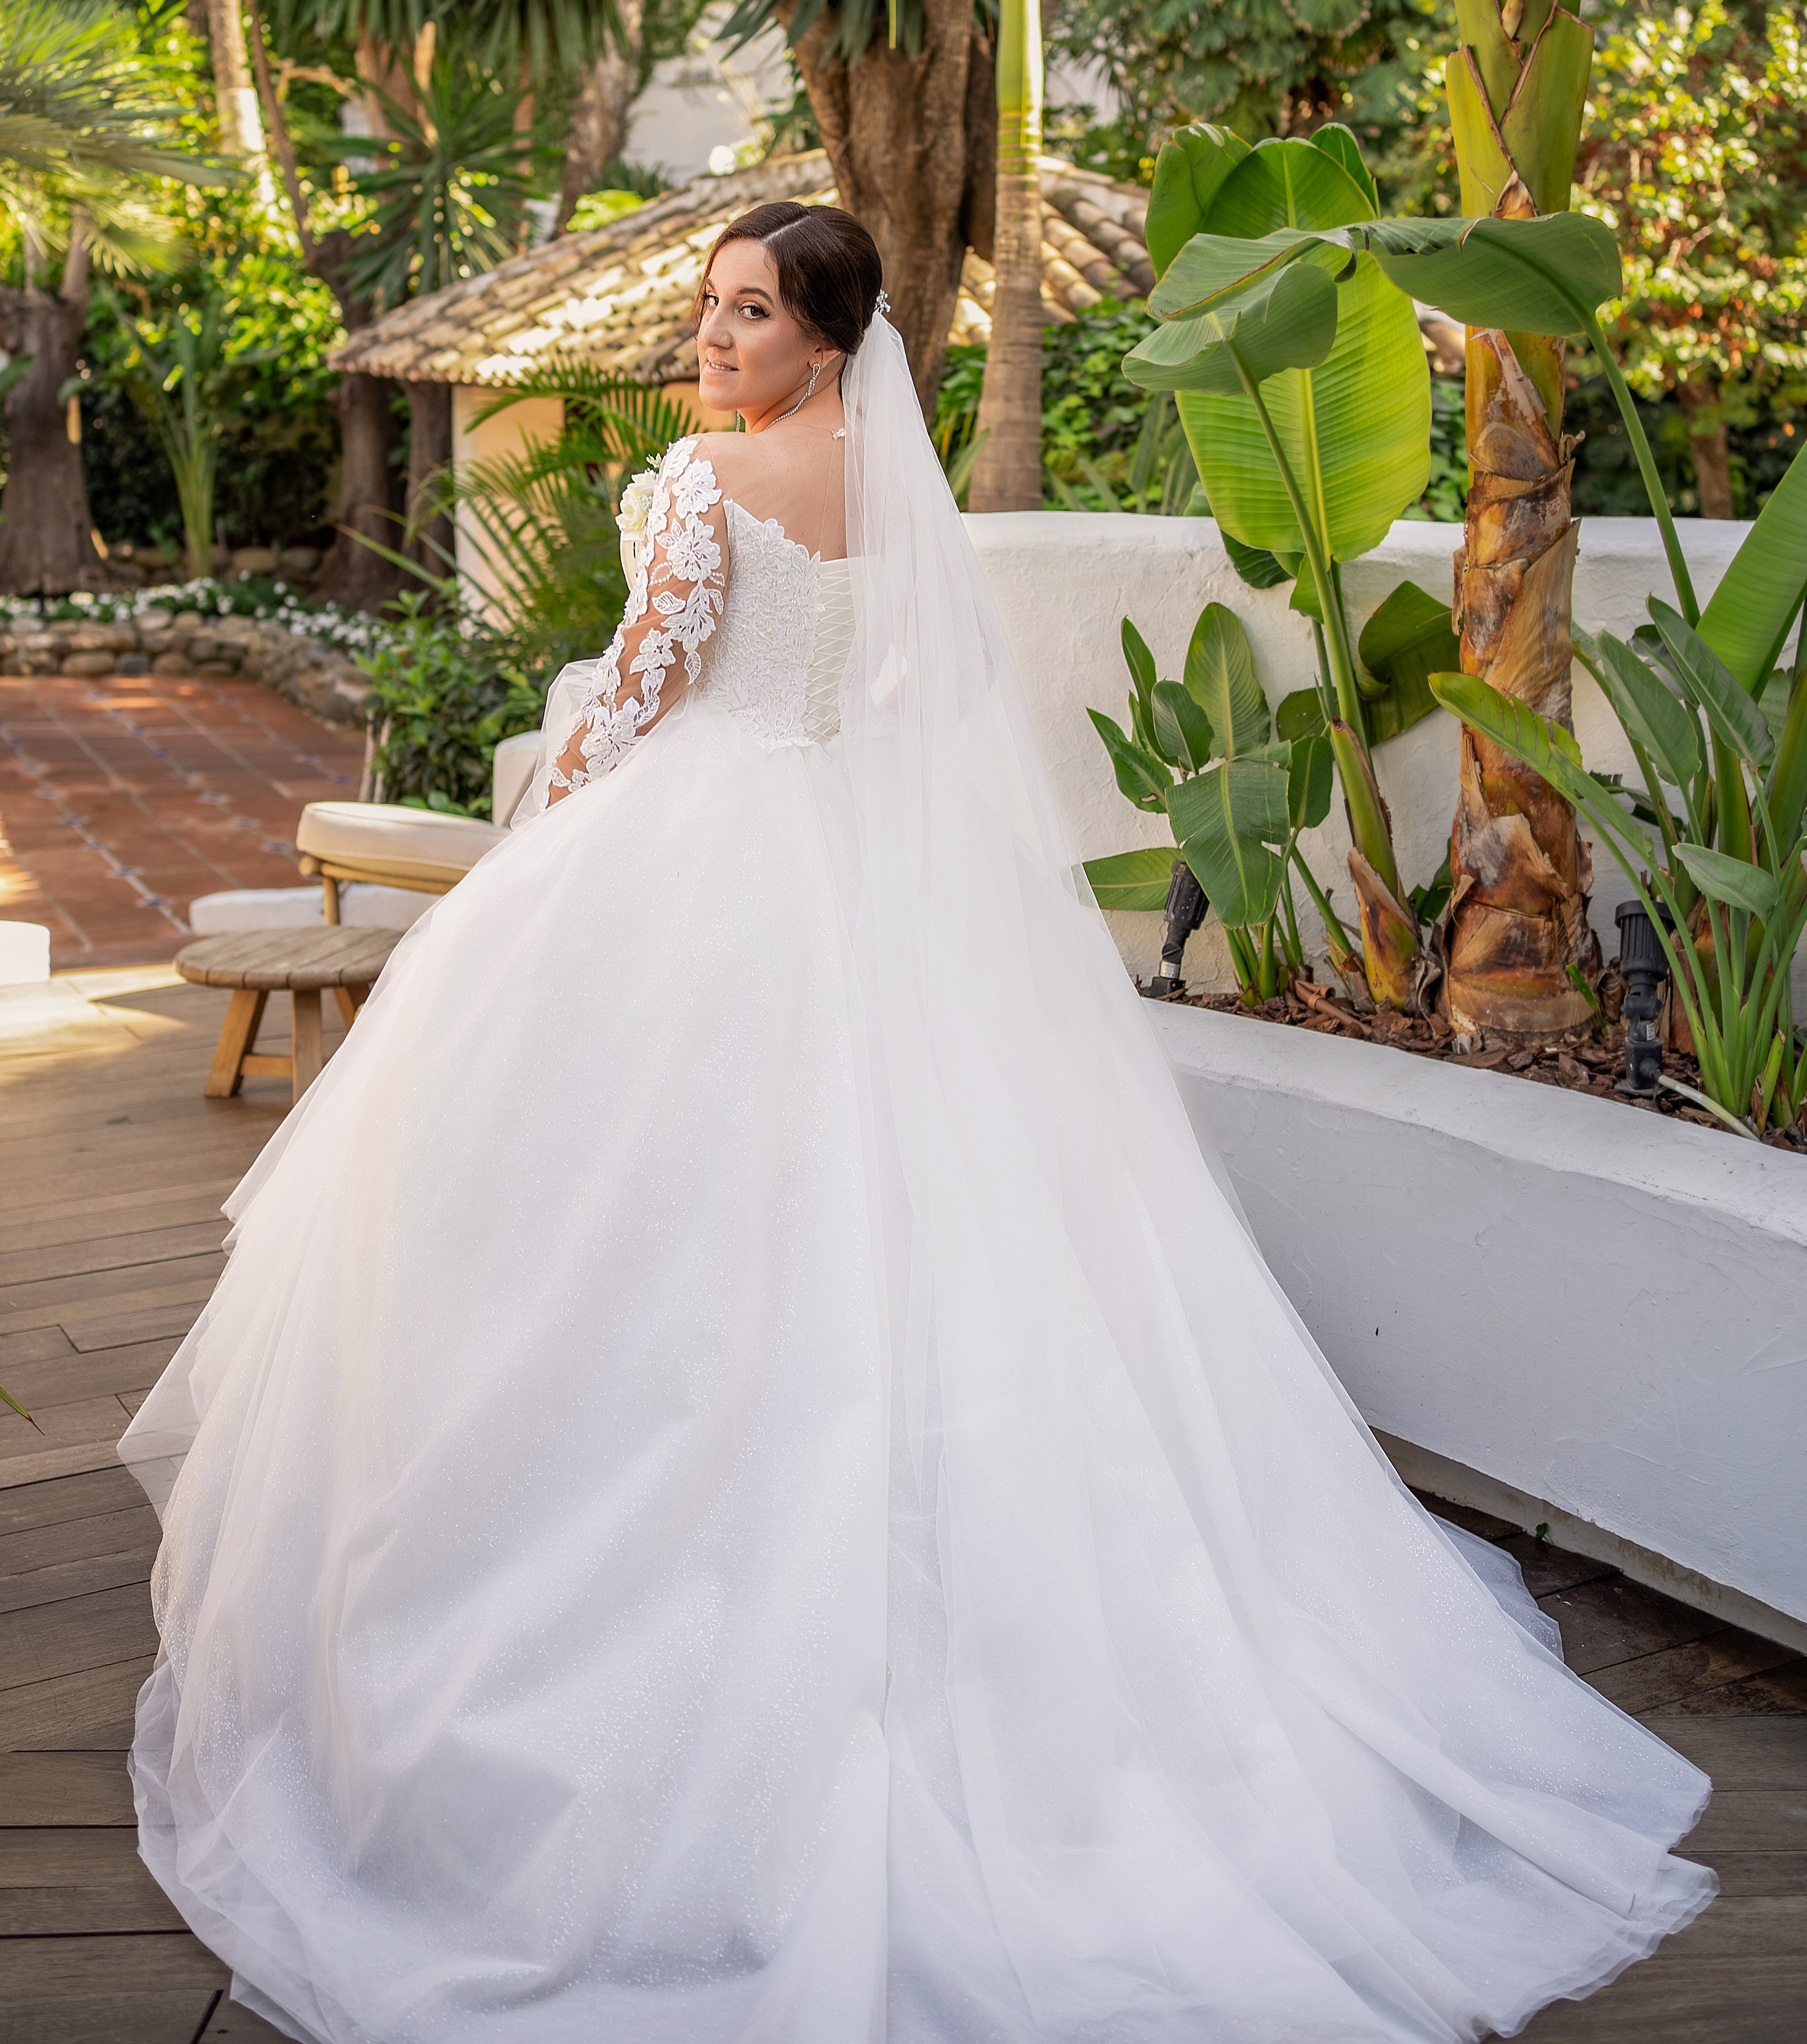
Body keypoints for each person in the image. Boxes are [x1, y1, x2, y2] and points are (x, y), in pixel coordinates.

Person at [124, 199, 1713, 2044]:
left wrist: (518, 856)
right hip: (860, 886)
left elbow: (630, 708)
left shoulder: (704, 485)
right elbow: (916, 701)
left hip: (689, 865)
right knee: (908, 1237)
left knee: (624, 1234)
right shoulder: (903, 495)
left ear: (824, 336)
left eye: (748, 314)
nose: (713, 342)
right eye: (710, 311)